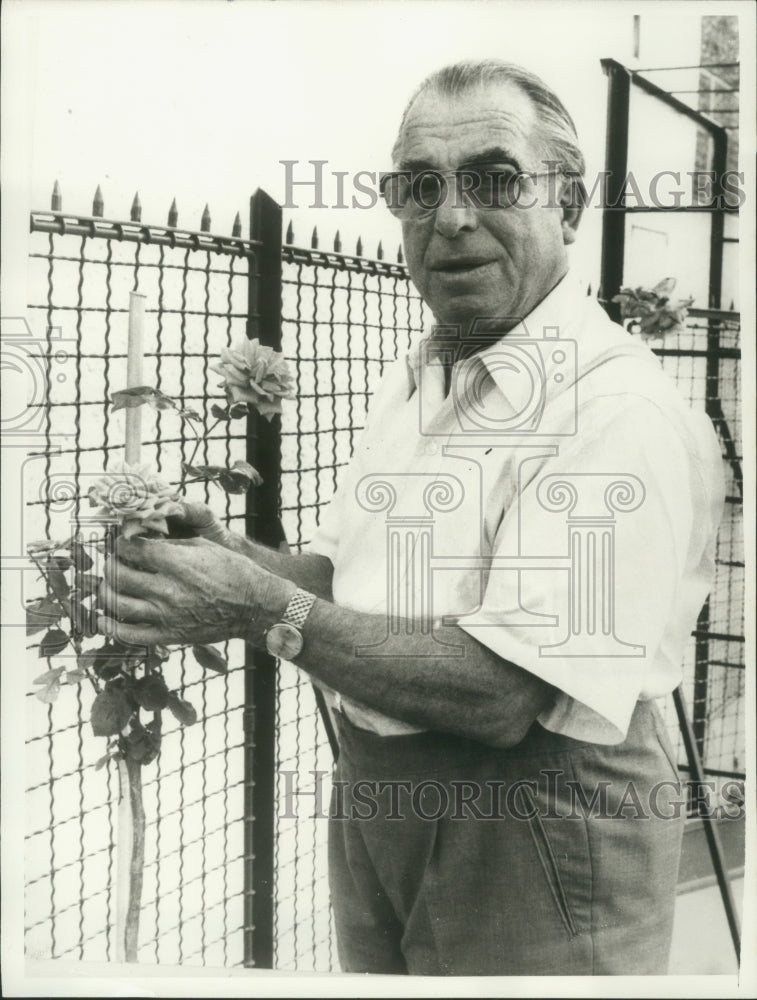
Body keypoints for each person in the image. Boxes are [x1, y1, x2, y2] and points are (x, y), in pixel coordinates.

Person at [100, 61, 725, 975]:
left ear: (571, 207)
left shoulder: (616, 412)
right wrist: (226, 553)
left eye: (494, 179)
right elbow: (344, 582)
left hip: (534, 828)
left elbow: (501, 692)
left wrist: (255, 607)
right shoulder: (421, 374)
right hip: (379, 805)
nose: (452, 215)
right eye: (418, 188)